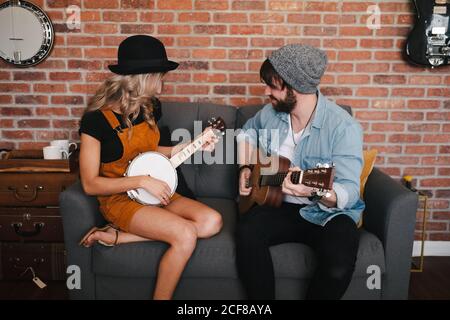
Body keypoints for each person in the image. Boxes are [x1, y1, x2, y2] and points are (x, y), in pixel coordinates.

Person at [78, 35, 223, 300]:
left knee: (212, 221)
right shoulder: (95, 122)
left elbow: (150, 154)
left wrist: (192, 145)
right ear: (143, 77)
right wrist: (142, 182)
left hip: (155, 189)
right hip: (121, 200)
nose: (163, 83)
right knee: (185, 234)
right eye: (160, 76)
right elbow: (90, 184)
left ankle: (118, 237)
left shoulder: (150, 108)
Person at [236, 44, 365, 300]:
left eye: (272, 86)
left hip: (327, 212)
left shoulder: (343, 127)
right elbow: (246, 132)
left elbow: (349, 189)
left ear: (294, 87)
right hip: (279, 205)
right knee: (247, 233)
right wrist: (245, 167)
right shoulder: (272, 114)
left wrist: (315, 191)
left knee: (338, 265)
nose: (265, 92)